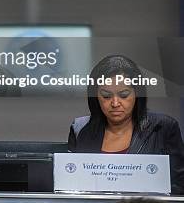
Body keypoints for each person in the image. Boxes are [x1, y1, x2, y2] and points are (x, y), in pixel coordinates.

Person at [68, 55, 184, 194]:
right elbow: (70, 186)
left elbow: (179, 187)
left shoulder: (163, 127)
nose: (115, 103)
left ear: (137, 94)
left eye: (124, 95)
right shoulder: (80, 128)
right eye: (106, 96)